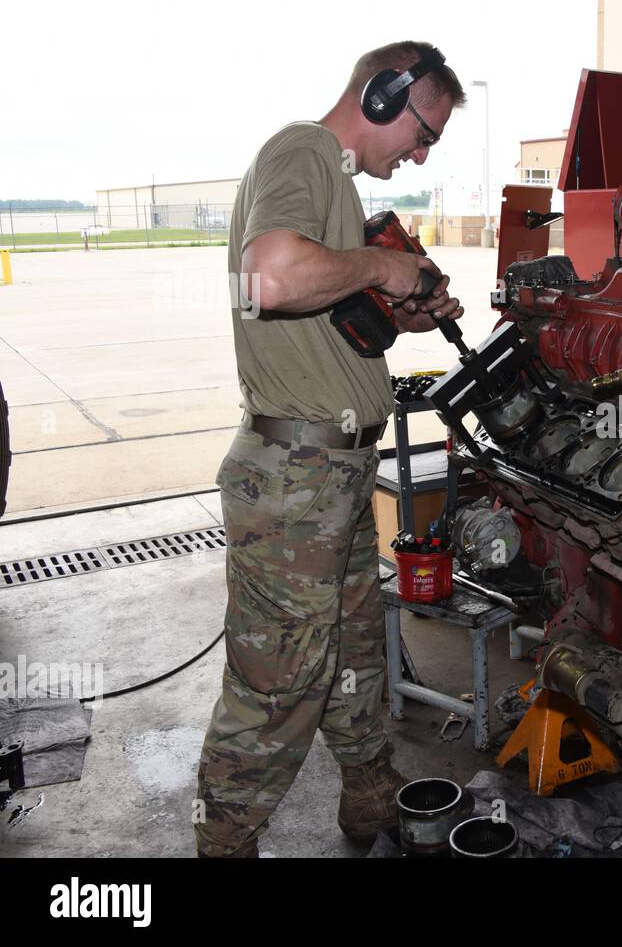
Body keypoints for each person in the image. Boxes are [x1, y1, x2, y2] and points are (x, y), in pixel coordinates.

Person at [194, 41, 466, 858]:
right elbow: (272, 278)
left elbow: (328, 317)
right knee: (278, 681)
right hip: (294, 481)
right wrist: (385, 262)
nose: (420, 153)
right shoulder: (303, 151)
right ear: (383, 95)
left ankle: (371, 802)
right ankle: (224, 842)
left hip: (335, 476)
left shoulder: (337, 190)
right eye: (424, 132)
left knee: (352, 650)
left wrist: (402, 309)